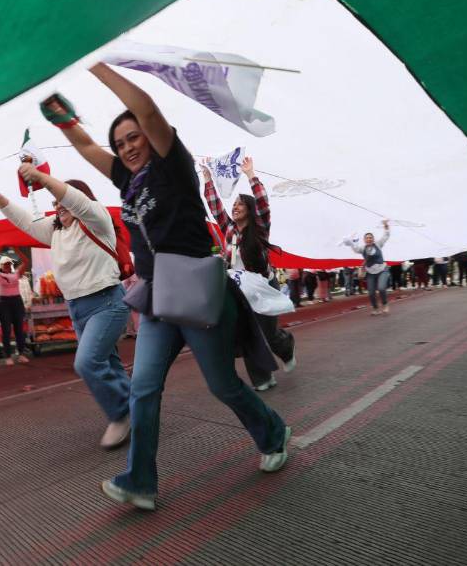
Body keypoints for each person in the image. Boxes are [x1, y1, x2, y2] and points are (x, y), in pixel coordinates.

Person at [42, 63, 290, 511]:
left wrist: (91, 62)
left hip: (195, 287)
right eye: (120, 144)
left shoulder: (174, 164)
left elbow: (147, 109)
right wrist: (66, 123)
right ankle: (140, 481)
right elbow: (84, 147)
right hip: (156, 296)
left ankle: (273, 432)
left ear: (152, 136)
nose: (127, 147)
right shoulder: (127, 179)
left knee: (222, 386)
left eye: (133, 137)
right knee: (142, 387)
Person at [0, 165, 131, 449]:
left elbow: (74, 199)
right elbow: (24, 221)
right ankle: (138, 407)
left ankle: (122, 414)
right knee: (108, 364)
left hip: (106, 303)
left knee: (87, 362)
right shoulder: (57, 233)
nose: (57, 207)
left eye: (62, 202)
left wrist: (41, 179)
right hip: (77, 309)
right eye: (55, 204)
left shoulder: (97, 220)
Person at [201, 156, 296, 391]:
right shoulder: (228, 229)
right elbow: (215, 207)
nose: (235, 207)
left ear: (250, 210)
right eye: (234, 204)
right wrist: (207, 179)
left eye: (240, 204)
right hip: (240, 290)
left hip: (264, 287)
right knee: (248, 335)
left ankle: (286, 346)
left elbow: (264, 203)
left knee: (268, 334)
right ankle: (263, 379)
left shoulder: (260, 227)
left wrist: (251, 175)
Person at [0, 248, 30, 365]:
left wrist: (15, 249)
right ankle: (8, 356)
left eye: (9, 264)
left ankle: (21, 354)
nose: (8, 266)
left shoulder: (16, 274)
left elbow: (25, 261)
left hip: (17, 301)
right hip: (4, 303)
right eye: (5, 264)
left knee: (19, 330)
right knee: (6, 330)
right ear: (1, 265)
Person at [342, 221, 391, 315]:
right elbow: (355, 249)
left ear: (373, 239)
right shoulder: (362, 248)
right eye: (367, 238)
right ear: (364, 240)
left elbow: (386, 236)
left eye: (370, 237)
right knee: (371, 292)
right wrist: (349, 242)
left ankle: (385, 304)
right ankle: (375, 308)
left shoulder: (378, 244)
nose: (369, 239)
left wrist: (386, 226)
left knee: (381, 288)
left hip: (382, 270)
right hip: (370, 272)